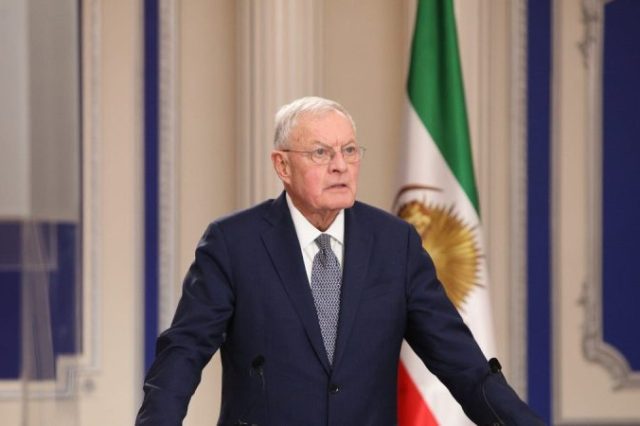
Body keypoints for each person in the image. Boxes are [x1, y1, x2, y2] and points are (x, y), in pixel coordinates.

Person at [136, 96, 543, 425]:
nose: (340, 165)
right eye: (320, 152)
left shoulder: (394, 243)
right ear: (282, 165)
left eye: (349, 150)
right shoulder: (234, 243)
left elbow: (462, 363)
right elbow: (183, 352)